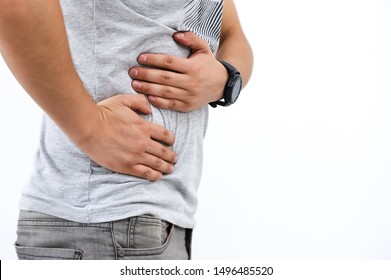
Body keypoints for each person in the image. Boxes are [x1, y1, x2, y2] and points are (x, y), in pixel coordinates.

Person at [0, 0, 253, 260]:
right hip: (103, 218)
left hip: (156, 220)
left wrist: (227, 78)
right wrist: (89, 127)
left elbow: (231, 34)